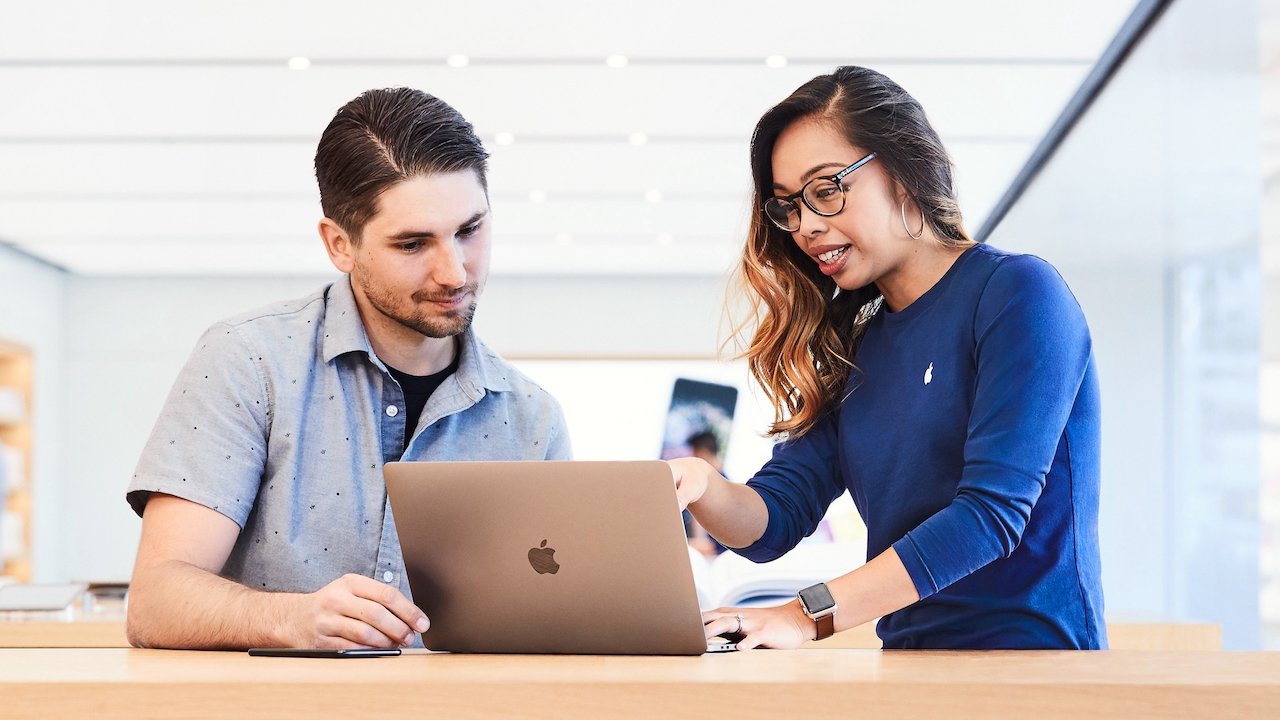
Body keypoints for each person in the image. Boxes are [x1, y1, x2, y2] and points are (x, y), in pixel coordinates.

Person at [670, 66, 1103, 650]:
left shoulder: (1019, 293)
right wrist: (702, 484)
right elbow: (773, 520)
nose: (806, 226)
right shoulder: (860, 346)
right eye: (789, 207)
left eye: (826, 190)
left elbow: (989, 517)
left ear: (902, 170)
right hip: (908, 668)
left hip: (1034, 669)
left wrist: (805, 615)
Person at [124, 88, 571, 650]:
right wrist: (292, 619)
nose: (454, 272)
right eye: (413, 244)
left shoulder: (533, 419)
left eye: (469, 230)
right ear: (340, 244)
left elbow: (548, 621)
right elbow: (155, 603)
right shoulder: (247, 361)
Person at [682, 431, 726, 556]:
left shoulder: (710, 482)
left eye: (694, 453)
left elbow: (700, 510)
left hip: (708, 554)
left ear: (702, 452)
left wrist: (698, 541)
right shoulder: (725, 480)